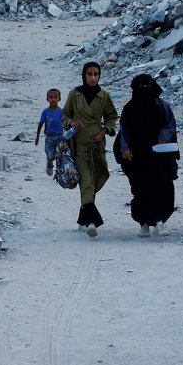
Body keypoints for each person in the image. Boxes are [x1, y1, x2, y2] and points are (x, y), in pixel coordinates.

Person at [114, 74, 178, 237]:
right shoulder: (129, 108)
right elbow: (124, 130)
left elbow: (170, 124)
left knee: (162, 188)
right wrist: (125, 149)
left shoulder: (161, 106)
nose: (144, 91)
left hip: (159, 155)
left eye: (147, 87)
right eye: (140, 88)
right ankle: (143, 223)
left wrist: (163, 138)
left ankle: (159, 222)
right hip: (137, 157)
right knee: (140, 189)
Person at [62, 62, 117, 236]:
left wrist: (104, 131)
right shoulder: (75, 94)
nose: (93, 78)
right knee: (86, 180)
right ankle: (93, 221)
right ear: (84, 75)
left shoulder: (104, 96)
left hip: (97, 146)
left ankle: (83, 217)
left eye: (96, 74)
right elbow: (65, 115)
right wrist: (71, 122)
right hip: (79, 145)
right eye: (89, 74)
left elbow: (111, 117)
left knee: (97, 179)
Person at [34, 89, 65, 176]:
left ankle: (59, 170)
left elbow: (65, 123)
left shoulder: (61, 112)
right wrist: (37, 137)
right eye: (50, 97)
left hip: (60, 136)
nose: (53, 99)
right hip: (49, 137)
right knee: (50, 154)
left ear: (59, 99)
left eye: (55, 97)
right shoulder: (45, 112)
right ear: (47, 99)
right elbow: (40, 124)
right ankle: (49, 163)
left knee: (60, 154)